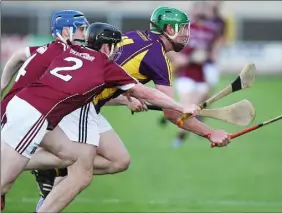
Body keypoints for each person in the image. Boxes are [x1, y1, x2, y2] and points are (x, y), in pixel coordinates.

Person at [30, 6, 232, 211]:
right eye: (182, 29)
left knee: (119, 160)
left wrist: (125, 99)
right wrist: (210, 132)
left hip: (84, 101)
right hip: (79, 106)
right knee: (81, 174)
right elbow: (172, 113)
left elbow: (104, 81)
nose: (186, 35)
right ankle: (30, 161)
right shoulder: (158, 57)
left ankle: (53, 168)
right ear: (168, 29)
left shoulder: (137, 36)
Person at [1, 21, 201, 212]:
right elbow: (146, 92)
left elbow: (79, 86)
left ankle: (39, 167)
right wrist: (181, 106)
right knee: (4, 184)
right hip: (34, 115)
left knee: (71, 156)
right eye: (114, 47)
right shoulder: (106, 66)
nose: (117, 52)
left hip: (27, 106)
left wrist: (124, 100)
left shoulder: (69, 49)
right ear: (105, 47)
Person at [0, 9, 89, 211]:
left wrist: (3, 85)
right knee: (3, 184)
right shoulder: (62, 55)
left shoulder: (48, 49)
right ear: (66, 31)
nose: (84, 34)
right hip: (20, 117)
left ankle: (19, 163)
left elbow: (16, 56)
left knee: (68, 155)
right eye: (81, 29)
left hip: (32, 116)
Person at [166, 3, 221, 147]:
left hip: (201, 75)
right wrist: (178, 58)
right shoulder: (184, 28)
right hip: (185, 74)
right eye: (198, 9)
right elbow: (167, 45)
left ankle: (181, 135)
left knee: (193, 109)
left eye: (203, 10)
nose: (201, 12)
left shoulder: (211, 31)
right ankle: (180, 137)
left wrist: (210, 55)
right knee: (188, 106)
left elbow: (214, 50)